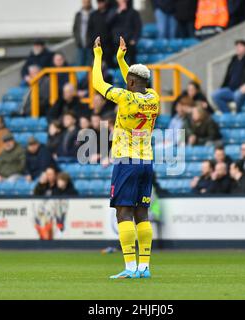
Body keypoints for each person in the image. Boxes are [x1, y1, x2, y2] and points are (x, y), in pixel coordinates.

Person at [93, 36, 159, 279]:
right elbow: (134, 81)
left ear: (130, 81)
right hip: (146, 161)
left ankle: (130, 267)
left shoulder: (125, 97)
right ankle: (144, 267)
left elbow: (97, 83)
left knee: (123, 212)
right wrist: (121, 59)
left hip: (126, 161)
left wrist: (98, 55)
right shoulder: (153, 98)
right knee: (142, 212)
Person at [212, 40, 245, 113]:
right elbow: (227, 76)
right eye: (237, 46)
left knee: (238, 95)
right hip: (231, 89)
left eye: (240, 46)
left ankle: (238, 116)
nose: (237, 48)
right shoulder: (234, 60)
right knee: (215, 95)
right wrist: (223, 87)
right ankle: (228, 116)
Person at [109, 0, 142, 65]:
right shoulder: (113, 11)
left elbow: (138, 27)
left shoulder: (133, 12)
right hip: (116, 43)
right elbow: (108, 23)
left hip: (129, 42)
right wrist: (118, 12)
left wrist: (134, 39)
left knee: (131, 61)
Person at [88, 0, 114, 67]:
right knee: (96, 65)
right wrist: (92, 41)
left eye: (101, 2)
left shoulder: (110, 14)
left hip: (108, 46)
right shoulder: (93, 15)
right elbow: (89, 30)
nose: (100, 4)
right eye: (99, 2)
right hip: (95, 45)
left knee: (107, 66)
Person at [73, 0, 93, 66]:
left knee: (89, 64)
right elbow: (75, 29)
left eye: (87, 1)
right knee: (79, 64)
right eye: (84, 2)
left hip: (90, 45)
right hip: (80, 45)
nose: (85, 3)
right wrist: (77, 41)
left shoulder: (94, 13)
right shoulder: (78, 14)